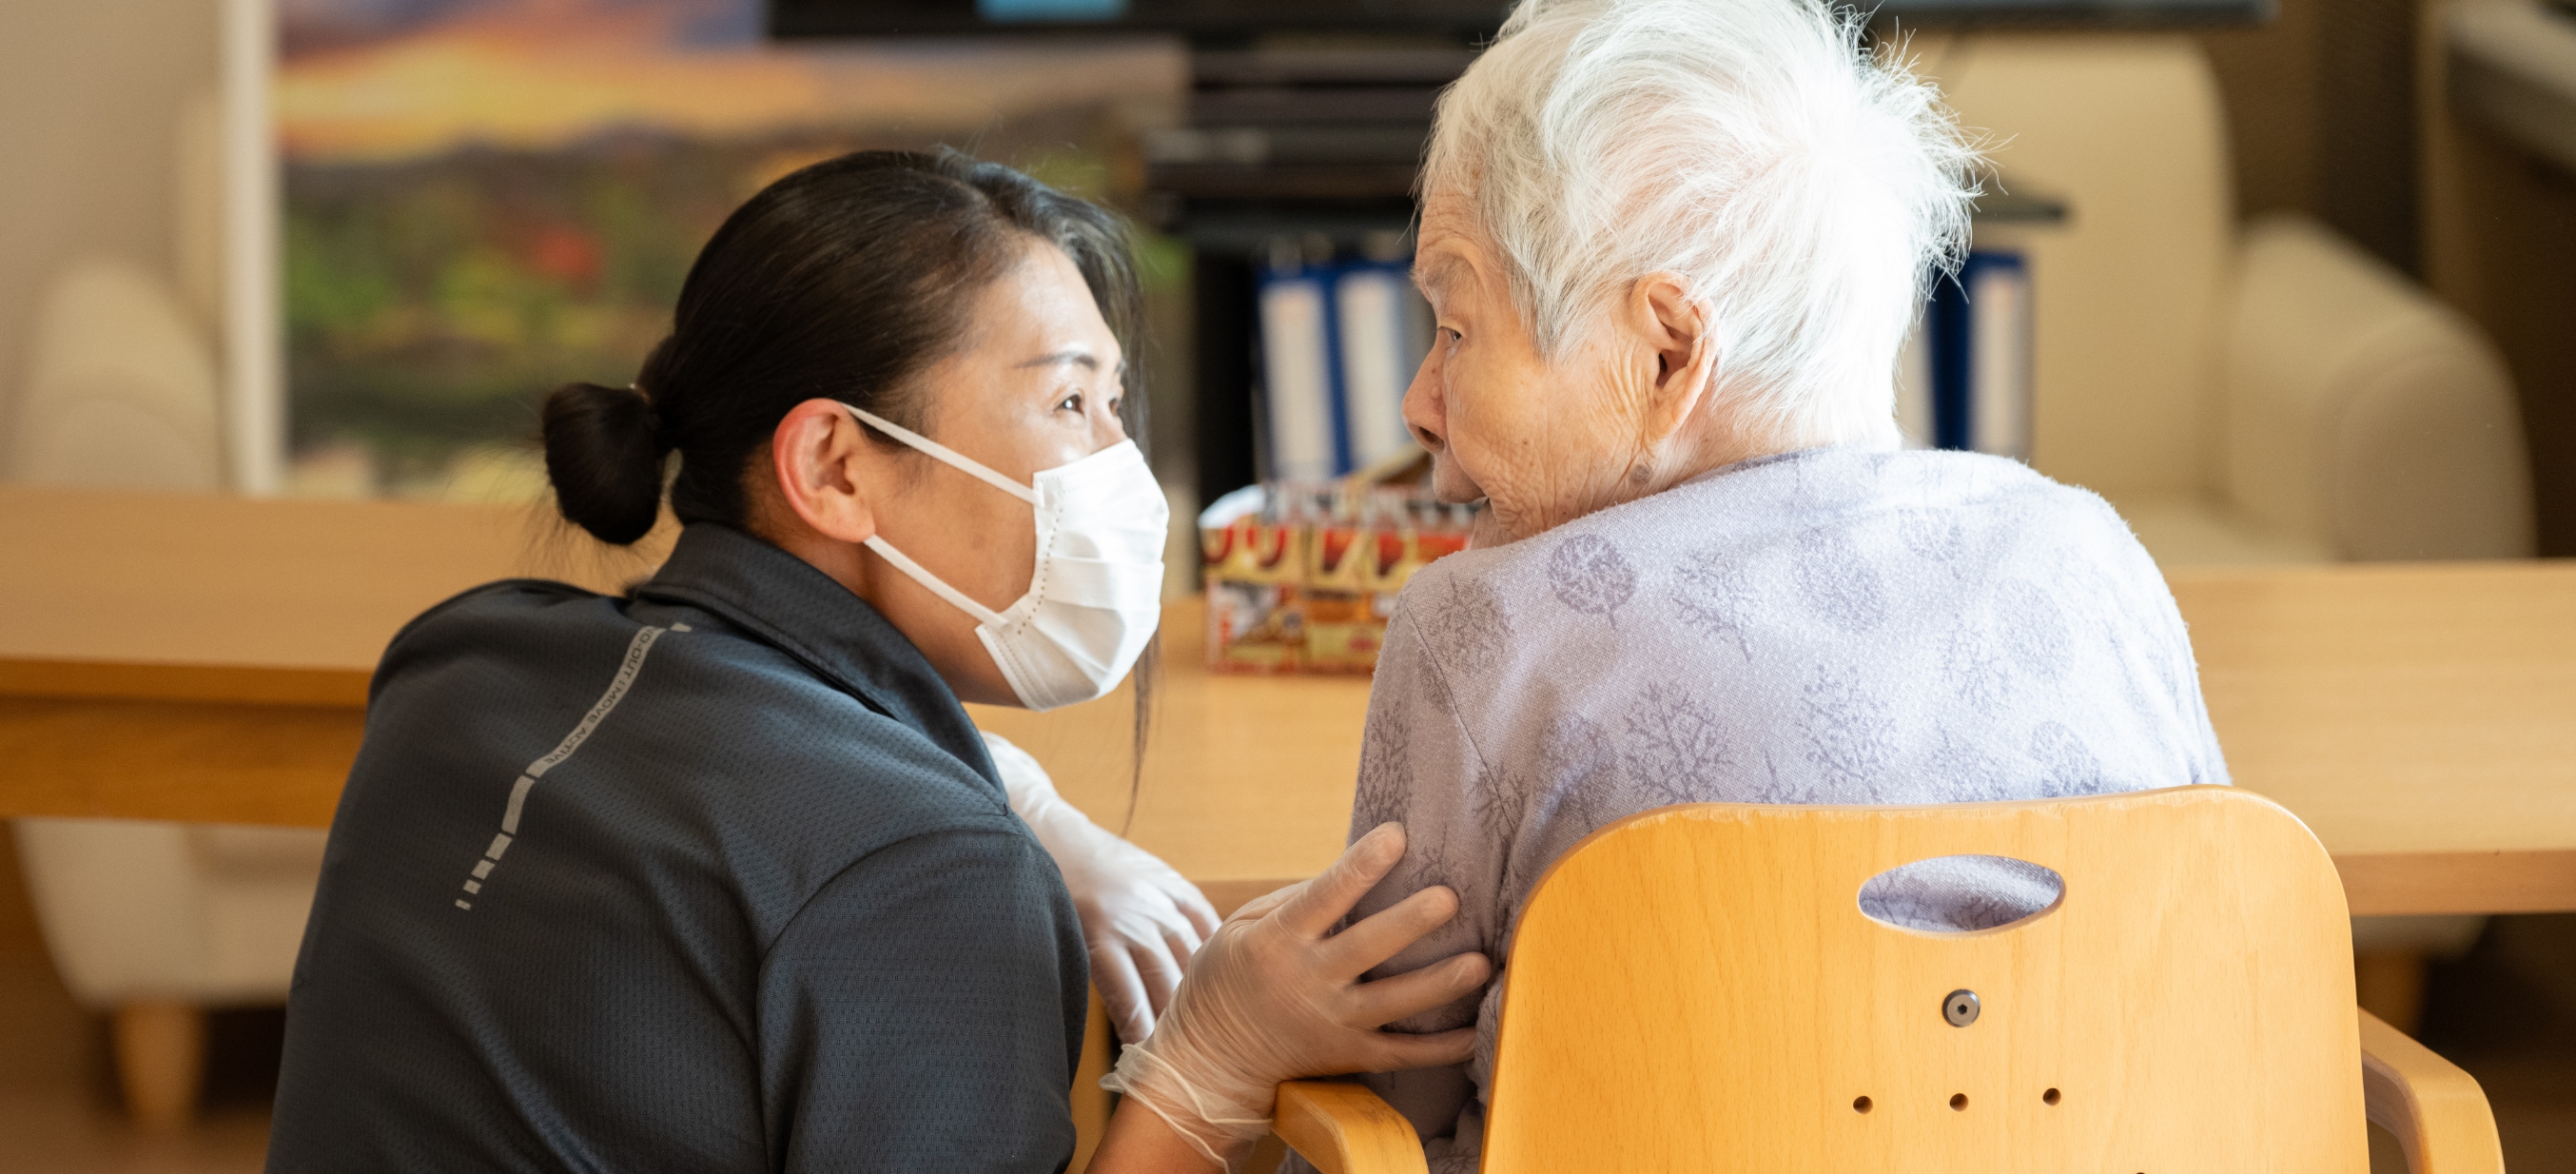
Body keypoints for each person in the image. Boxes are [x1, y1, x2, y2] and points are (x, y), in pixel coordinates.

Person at [266, 149, 1489, 1173]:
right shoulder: (922, 866)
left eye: (1117, 405)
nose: (1117, 465)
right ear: (836, 468)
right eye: (1069, 405)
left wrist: (1023, 803)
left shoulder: (462, 656)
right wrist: (1213, 1055)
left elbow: (760, 758)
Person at [1318, 0, 2233, 1168]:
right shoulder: (2093, 554)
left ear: (1663, 353)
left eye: (1454, 329)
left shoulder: (1482, 629)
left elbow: (1392, 1097)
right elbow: (2214, 982)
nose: (1418, 404)